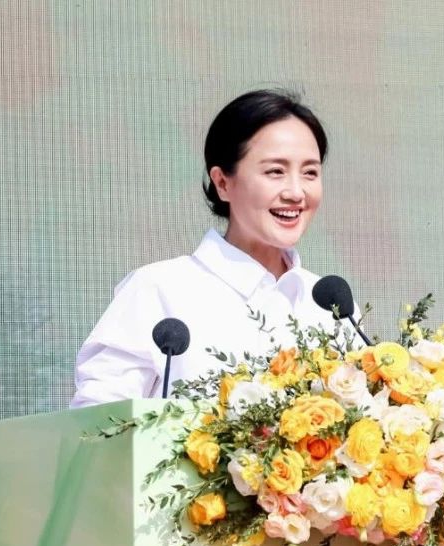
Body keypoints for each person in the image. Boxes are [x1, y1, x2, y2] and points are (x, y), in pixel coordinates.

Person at [70, 89, 338, 406]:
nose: (296, 192)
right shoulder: (158, 290)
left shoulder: (333, 306)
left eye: (310, 173)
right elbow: (97, 417)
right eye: (275, 172)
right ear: (223, 183)